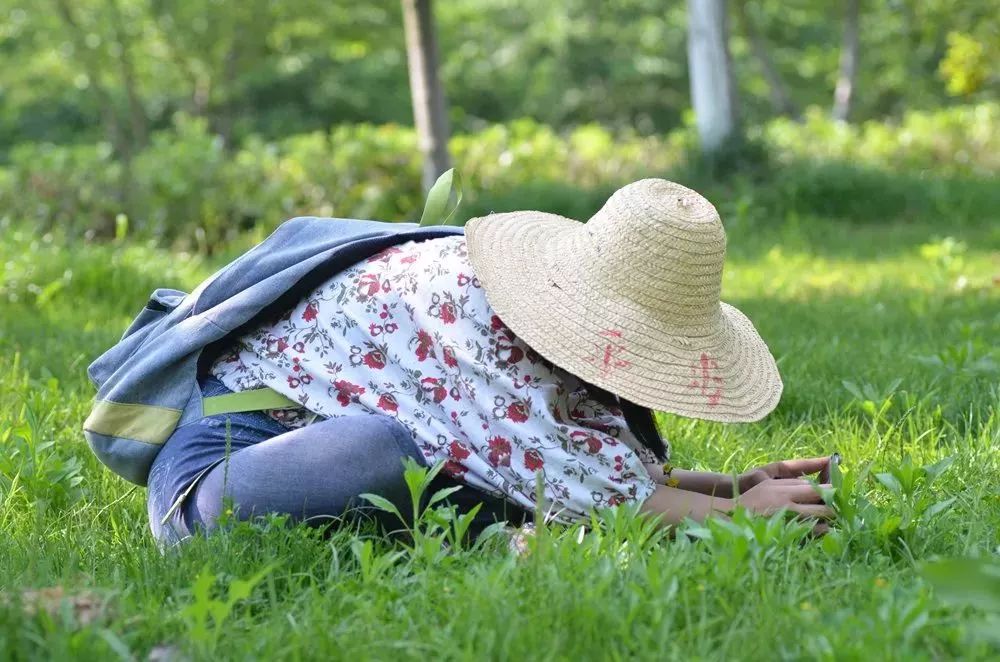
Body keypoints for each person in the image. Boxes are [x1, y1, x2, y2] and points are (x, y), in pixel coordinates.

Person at [146, 179, 833, 544]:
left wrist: (733, 487)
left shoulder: (538, 323)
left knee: (443, 475)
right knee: (380, 451)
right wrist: (743, 514)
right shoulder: (474, 321)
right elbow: (584, 485)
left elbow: (584, 454)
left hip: (308, 441)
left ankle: (478, 538)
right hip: (222, 474)